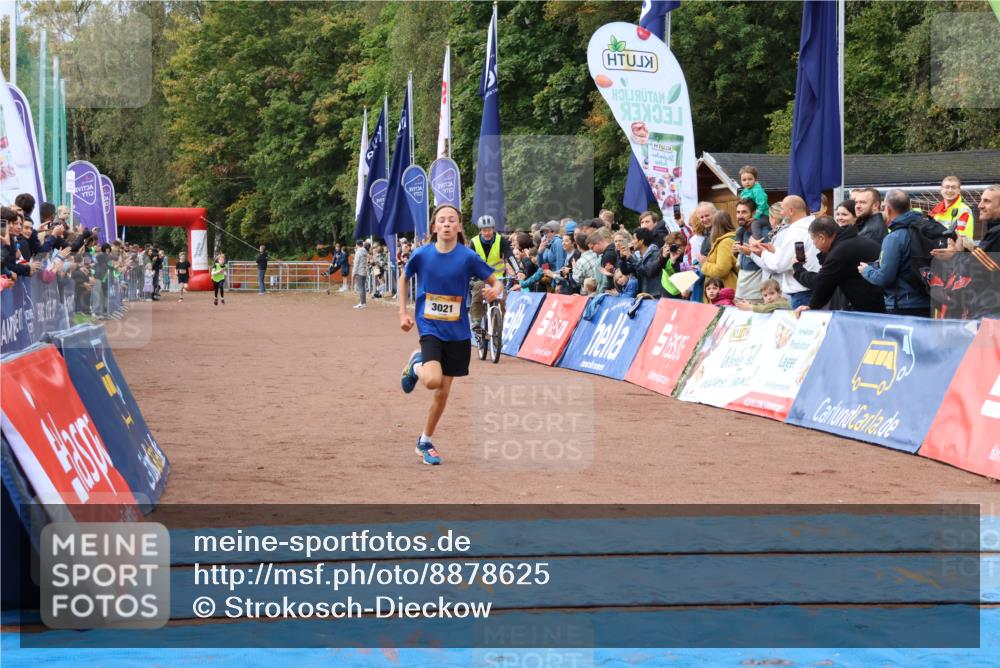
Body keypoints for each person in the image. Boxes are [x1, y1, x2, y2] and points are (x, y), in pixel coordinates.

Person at [398, 204, 502, 466]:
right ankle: (417, 363)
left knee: (442, 393)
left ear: (458, 226)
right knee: (432, 381)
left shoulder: (467, 257)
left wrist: (495, 290)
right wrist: (403, 313)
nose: (446, 224)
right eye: (441, 220)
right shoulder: (422, 254)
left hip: (458, 332)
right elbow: (403, 277)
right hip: (430, 327)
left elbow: (494, 280)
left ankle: (425, 441)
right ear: (434, 227)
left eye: (451, 220)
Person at [858, 189, 931, 317]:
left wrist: (866, 270)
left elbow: (885, 278)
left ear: (888, 208)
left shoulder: (894, 237)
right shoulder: (925, 229)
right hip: (928, 301)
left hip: (903, 305)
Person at [791, 216, 885, 314]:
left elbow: (820, 282)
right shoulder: (850, 242)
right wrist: (812, 306)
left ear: (821, 237)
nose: (814, 244)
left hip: (875, 309)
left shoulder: (840, 251)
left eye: (813, 240)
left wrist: (798, 270)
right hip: (876, 303)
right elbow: (827, 284)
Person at [748, 195, 820, 309]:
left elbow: (780, 265)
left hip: (802, 294)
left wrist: (762, 253)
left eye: (782, 209)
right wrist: (775, 250)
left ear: (791, 211)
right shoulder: (813, 225)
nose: (780, 213)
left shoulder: (796, 230)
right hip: (812, 290)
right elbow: (793, 256)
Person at [469, 214, 513, 333]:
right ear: (480, 230)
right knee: (478, 290)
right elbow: (469, 260)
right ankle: (477, 320)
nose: (487, 233)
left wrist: (519, 270)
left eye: (489, 230)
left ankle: (499, 327)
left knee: (503, 298)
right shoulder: (474, 242)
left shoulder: (501, 240)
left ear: (493, 229)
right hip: (480, 277)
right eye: (484, 230)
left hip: (497, 278)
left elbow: (510, 255)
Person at [732, 198, 771, 302]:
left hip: (756, 295)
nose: (740, 216)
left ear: (753, 213)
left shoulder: (764, 233)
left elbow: (769, 263)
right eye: (738, 212)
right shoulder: (741, 232)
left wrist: (750, 253)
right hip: (741, 292)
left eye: (744, 212)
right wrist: (737, 254)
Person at [699, 211, 739, 300]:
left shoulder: (725, 242)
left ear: (716, 227)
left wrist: (705, 264)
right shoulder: (728, 240)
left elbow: (721, 270)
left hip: (723, 292)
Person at [930, 175, 975, 240]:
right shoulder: (935, 211)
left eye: (953, 187)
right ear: (941, 189)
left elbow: (961, 239)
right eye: (947, 187)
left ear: (959, 190)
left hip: (955, 249)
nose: (950, 190)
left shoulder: (964, 210)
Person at [352, 240, 369, 309]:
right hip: (364, 271)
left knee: (360, 288)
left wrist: (353, 273)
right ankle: (363, 302)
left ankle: (362, 303)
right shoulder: (365, 251)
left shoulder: (358, 252)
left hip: (359, 271)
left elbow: (356, 263)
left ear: (357, 245)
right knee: (363, 288)